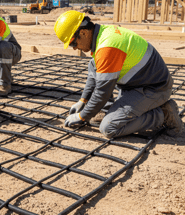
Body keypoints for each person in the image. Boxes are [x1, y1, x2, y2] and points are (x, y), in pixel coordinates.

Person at [54, 10, 183, 138]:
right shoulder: (103, 33)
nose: (75, 48)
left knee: (109, 128)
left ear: (83, 32)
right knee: (93, 64)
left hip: (154, 88)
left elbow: (102, 93)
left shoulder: (107, 47)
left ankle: (163, 114)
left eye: (73, 43)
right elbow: (94, 71)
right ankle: (106, 111)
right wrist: (83, 101)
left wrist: (82, 116)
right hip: (140, 81)